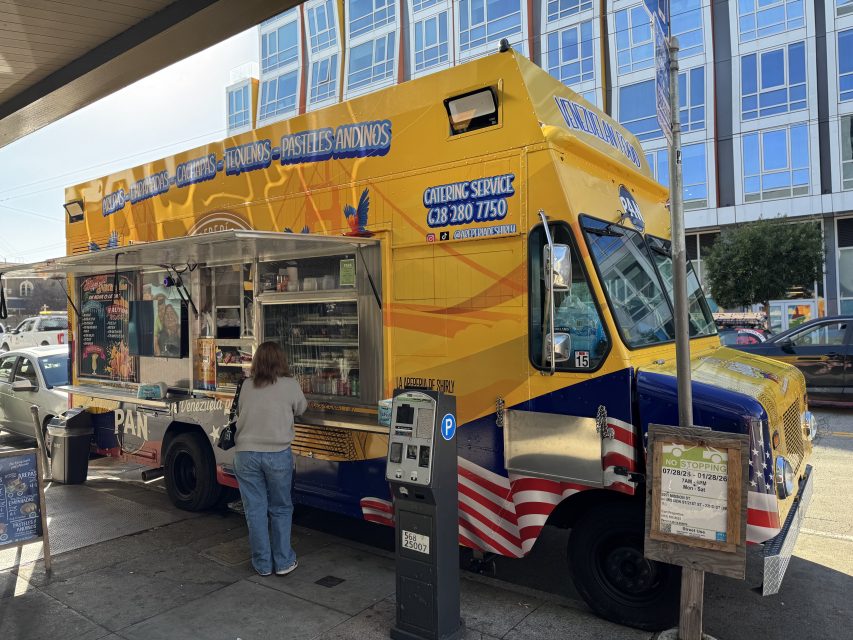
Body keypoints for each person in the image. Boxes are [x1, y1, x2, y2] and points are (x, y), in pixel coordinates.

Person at [234, 341, 308, 577]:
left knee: (255, 510)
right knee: (281, 508)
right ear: (281, 361)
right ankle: (284, 561)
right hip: (277, 455)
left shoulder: (246, 385)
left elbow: (239, 411)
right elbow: (301, 409)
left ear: (257, 362)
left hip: (246, 454)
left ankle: (263, 564)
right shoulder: (290, 385)